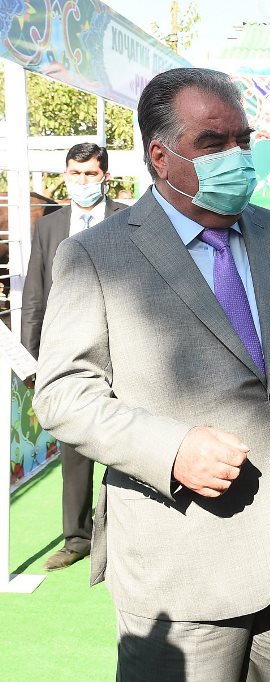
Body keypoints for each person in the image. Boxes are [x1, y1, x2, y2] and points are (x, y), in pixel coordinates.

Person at [32, 68, 270, 679]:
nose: (236, 157)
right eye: (213, 144)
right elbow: (62, 394)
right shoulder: (96, 253)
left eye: (243, 139)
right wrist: (172, 449)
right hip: (181, 560)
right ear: (160, 156)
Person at [21, 142, 128, 572]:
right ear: (65, 175)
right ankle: (78, 538)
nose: (81, 181)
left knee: (127, 441)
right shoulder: (49, 226)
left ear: (105, 176)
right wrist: (30, 358)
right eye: (74, 173)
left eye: (90, 173)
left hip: (123, 348)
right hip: (68, 354)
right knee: (75, 447)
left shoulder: (127, 218)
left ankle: (127, 533)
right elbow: (35, 294)